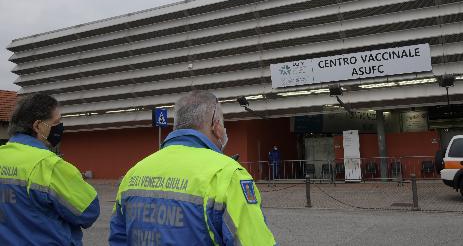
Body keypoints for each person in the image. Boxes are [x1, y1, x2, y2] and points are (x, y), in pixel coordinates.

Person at [109, 90, 276, 245]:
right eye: (223, 125)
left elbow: (118, 238)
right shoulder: (227, 174)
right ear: (216, 126)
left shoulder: (134, 172)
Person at [0, 93, 100, 245]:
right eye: (57, 122)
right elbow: (88, 212)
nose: (60, 127)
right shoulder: (48, 165)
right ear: (38, 126)